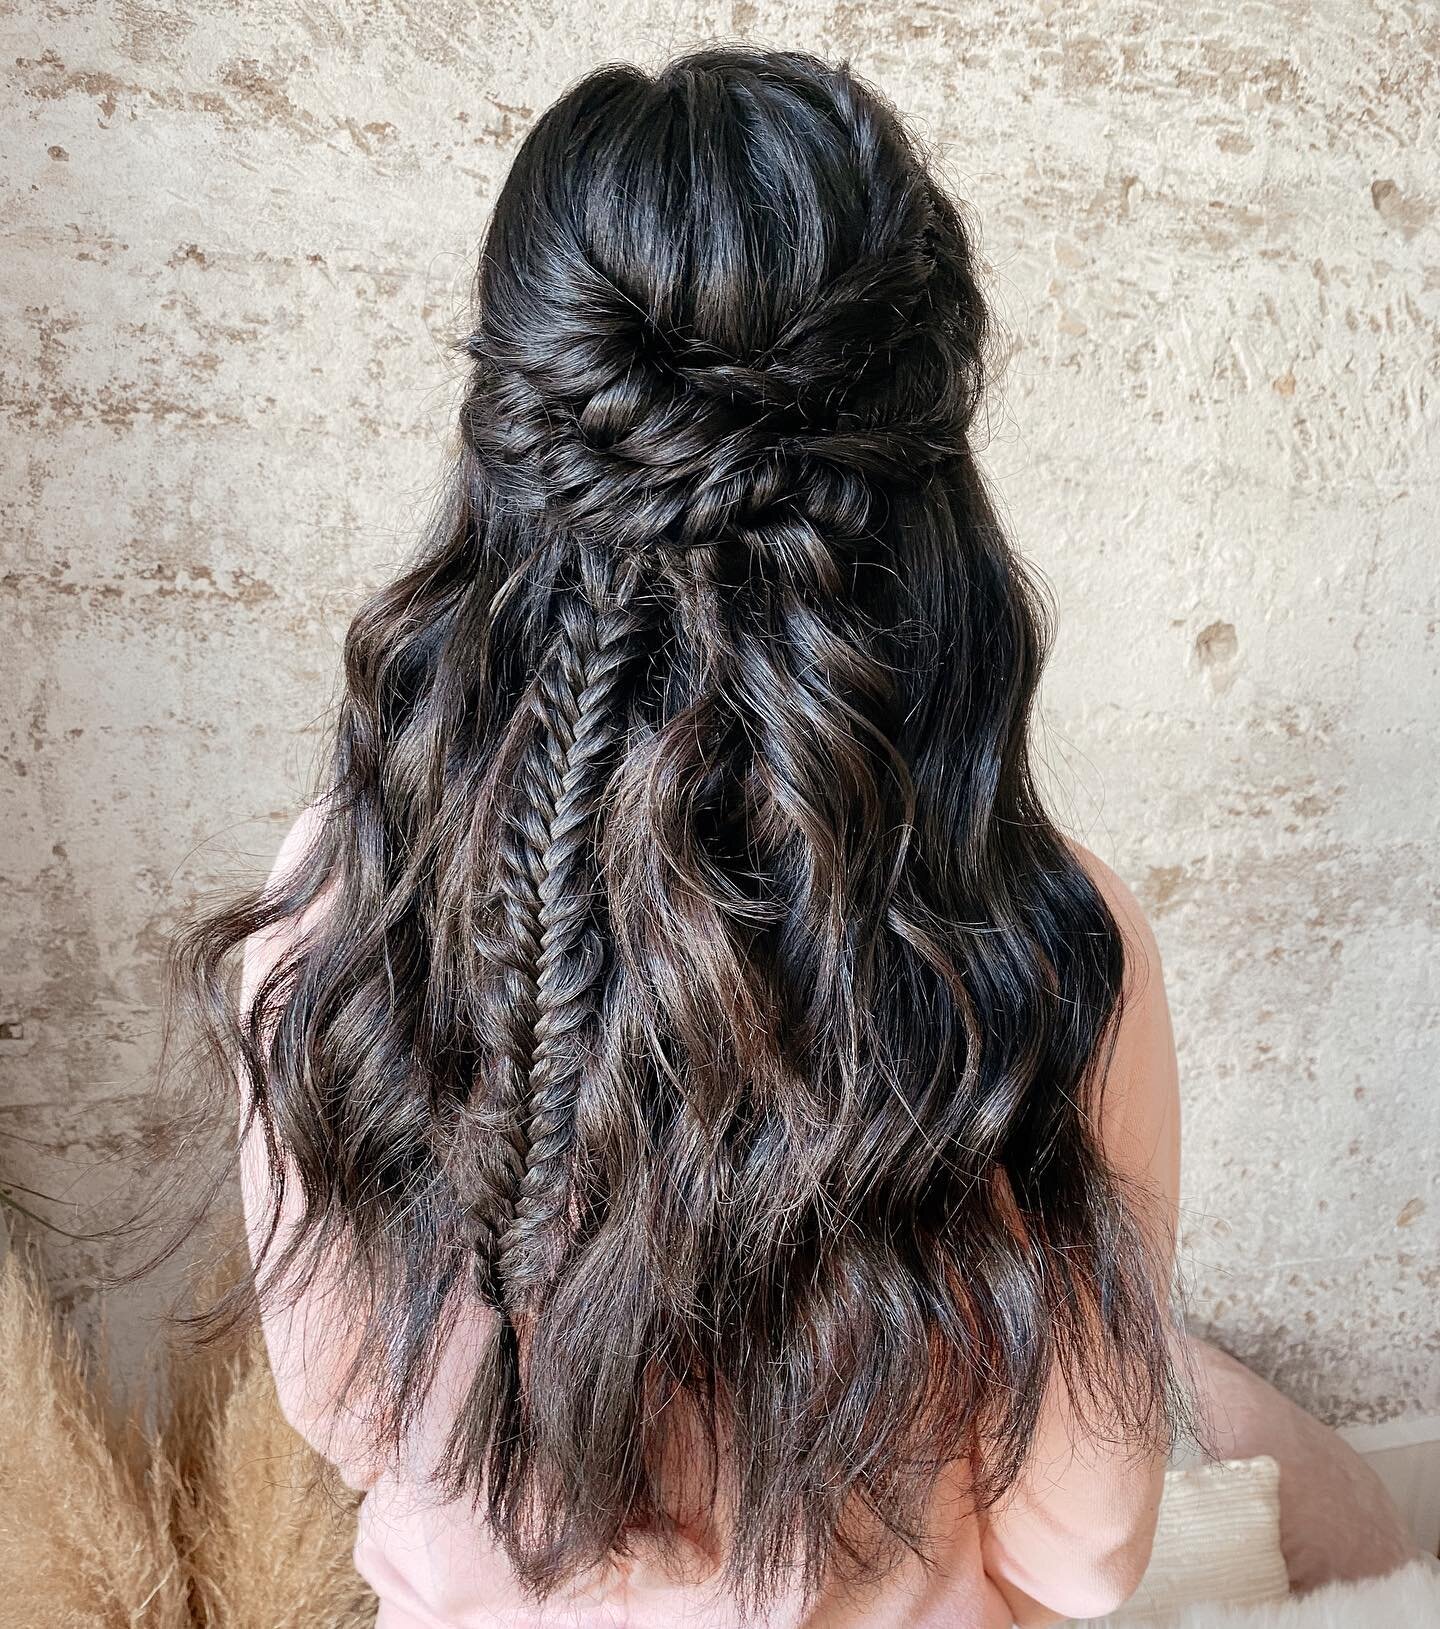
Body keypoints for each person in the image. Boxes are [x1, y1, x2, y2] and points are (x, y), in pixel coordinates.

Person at [173, 44, 1203, 1629]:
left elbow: (348, 1408)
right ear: (926, 492)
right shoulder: (1050, 946)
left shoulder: (344, 893)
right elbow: (1082, 1551)